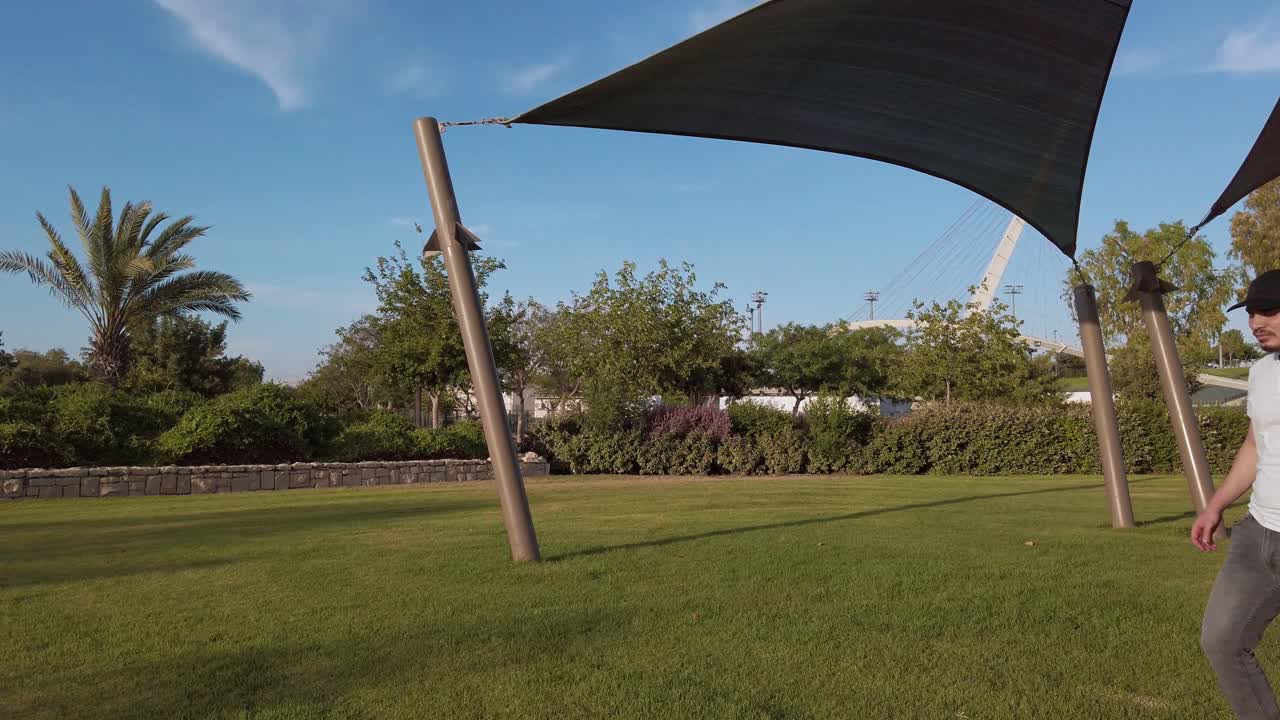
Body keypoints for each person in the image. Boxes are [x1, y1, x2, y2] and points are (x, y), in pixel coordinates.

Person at [1193, 268, 1280, 719]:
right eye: (1250, 313)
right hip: (1258, 532)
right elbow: (1255, 443)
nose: (1255, 323)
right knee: (1223, 641)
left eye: (1269, 311)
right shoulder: (1262, 372)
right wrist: (1215, 505)